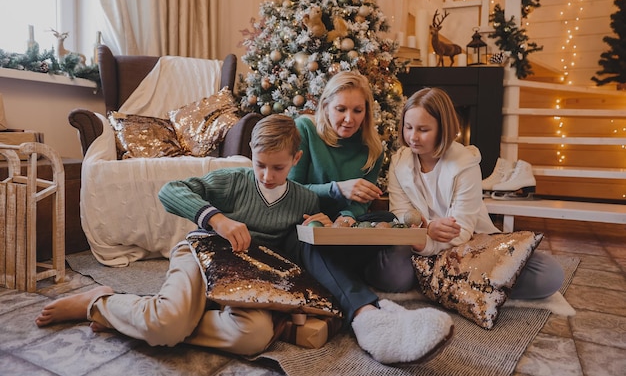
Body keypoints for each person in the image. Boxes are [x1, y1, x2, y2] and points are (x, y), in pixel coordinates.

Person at [35, 114, 453, 365]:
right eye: (260, 165)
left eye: (276, 167)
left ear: (296, 160)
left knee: (251, 337)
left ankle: (178, 317)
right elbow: (170, 192)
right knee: (166, 327)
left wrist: (335, 205)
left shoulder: (301, 196)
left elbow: (324, 196)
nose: (266, 176)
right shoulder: (234, 180)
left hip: (247, 274)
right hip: (203, 253)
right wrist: (215, 219)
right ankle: (100, 302)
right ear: (250, 156)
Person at [287, 71, 454, 364]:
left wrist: (348, 218)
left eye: (357, 110)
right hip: (303, 231)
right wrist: (336, 189)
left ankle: (364, 301)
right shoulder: (305, 130)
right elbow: (288, 191)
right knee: (311, 243)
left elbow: (361, 208)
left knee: (386, 215)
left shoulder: (371, 149)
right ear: (326, 105)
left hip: (341, 236)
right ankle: (370, 316)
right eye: (341, 109)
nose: (349, 119)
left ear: (367, 112)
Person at [387, 87, 564, 299]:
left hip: (468, 245)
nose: (413, 137)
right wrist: (427, 232)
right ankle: (466, 285)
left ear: (443, 129)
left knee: (548, 274)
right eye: (408, 127)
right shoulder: (399, 162)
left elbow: (461, 231)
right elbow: (400, 213)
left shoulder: (465, 162)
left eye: (423, 130)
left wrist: (428, 239)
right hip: (420, 242)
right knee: (391, 276)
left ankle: (440, 281)